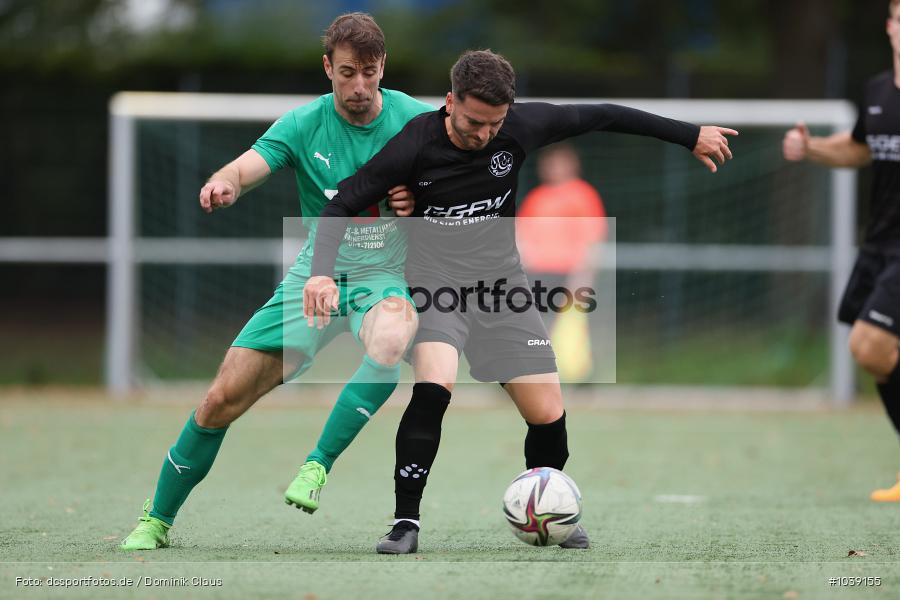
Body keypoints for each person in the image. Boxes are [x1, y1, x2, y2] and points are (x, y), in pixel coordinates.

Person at [305, 49, 737, 553]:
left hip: (503, 289)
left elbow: (604, 114)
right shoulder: (414, 144)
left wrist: (689, 135)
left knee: (548, 413)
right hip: (436, 286)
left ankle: (546, 508)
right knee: (434, 387)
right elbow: (340, 205)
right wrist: (320, 275)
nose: (483, 134)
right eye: (472, 122)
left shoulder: (521, 126)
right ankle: (406, 523)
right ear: (449, 102)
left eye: (494, 124)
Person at [120, 12, 433, 550]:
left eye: (370, 73)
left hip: (383, 278)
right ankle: (156, 519)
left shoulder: (415, 119)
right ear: (327, 69)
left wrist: (418, 203)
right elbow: (248, 166)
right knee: (220, 400)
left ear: (384, 67)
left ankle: (317, 465)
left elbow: (455, 196)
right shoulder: (302, 124)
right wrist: (224, 182)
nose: (359, 87)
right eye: (347, 73)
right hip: (314, 279)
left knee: (391, 336)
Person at [782, 0, 900, 502]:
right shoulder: (877, 91)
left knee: (870, 345)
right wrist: (812, 148)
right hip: (881, 242)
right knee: (875, 354)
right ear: (891, 27)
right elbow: (860, 149)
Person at [517, 143, 607, 382]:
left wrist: (585, 272)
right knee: (528, 324)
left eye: (559, 163)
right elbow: (522, 235)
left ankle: (579, 378)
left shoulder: (582, 194)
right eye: (549, 163)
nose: (553, 168)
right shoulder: (537, 197)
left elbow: (592, 236)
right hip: (538, 271)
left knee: (571, 326)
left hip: (568, 271)